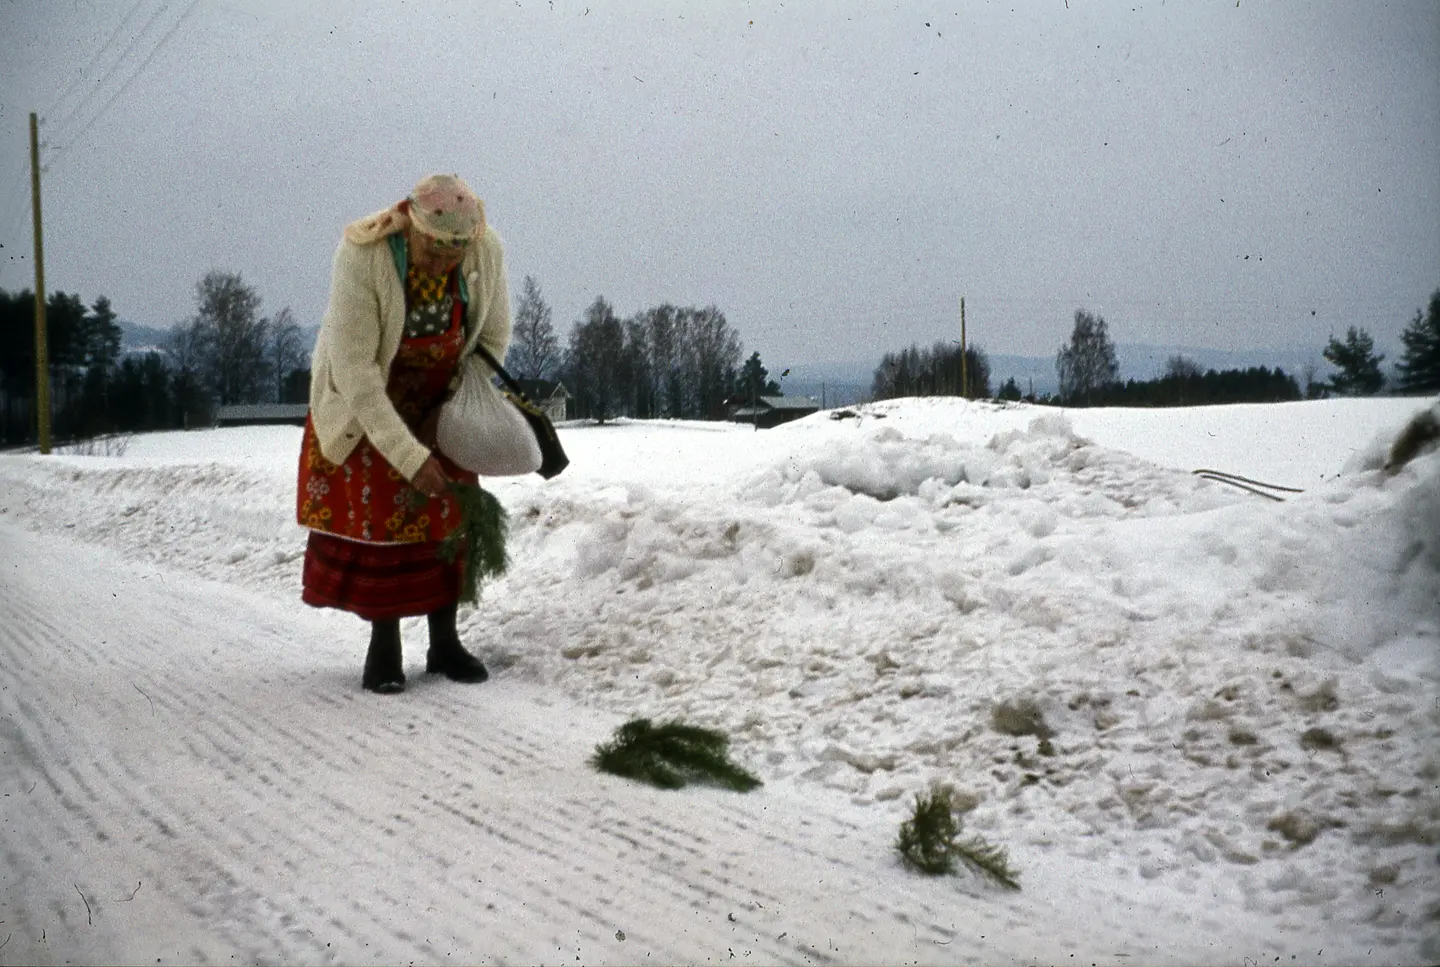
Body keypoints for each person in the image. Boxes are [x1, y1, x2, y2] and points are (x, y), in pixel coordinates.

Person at [296, 174, 511, 694]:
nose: (444, 262)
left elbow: (492, 336)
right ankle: (384, 644)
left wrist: (454, 411)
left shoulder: (483, 249)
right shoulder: (362, 254)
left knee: (450, 518)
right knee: (383, 525)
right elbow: (354, 371)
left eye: (454, 253)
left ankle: (445, 642)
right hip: (367, 404)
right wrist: (407, 455)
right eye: (434, 250)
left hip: (441, 398)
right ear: (411, 226)